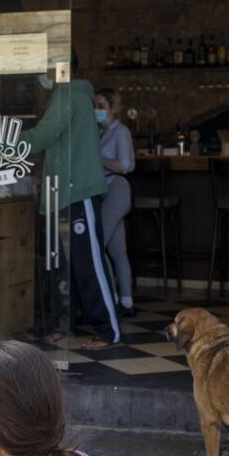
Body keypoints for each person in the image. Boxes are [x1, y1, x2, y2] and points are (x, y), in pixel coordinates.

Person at [20, 68, 121, 350]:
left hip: (76, 192)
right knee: (65, 266)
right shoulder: (78, 95)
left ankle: (108, 330)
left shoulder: (67, 95)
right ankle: (64, 325)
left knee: (87, 263)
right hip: (63, 192)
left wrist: (3, 142)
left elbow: (42, 136)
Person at [94, 88, 136, 317]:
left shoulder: (121, 132)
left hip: (117, 189)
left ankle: (112, 297)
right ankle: (127, 303)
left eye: (101, 106)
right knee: (117, 250)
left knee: (97, 245)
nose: (96, 111)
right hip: (105, 191)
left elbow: (126, 165)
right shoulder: (101, 133)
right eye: (95, 106)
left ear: (113, 108)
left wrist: (98, 159)